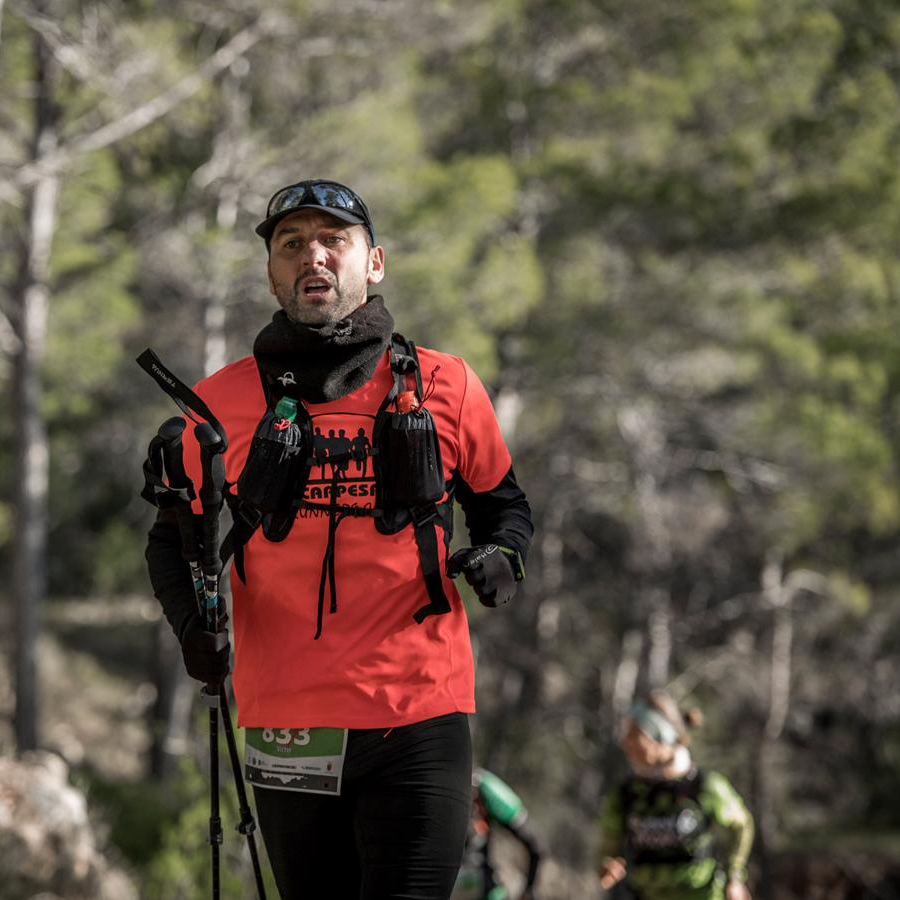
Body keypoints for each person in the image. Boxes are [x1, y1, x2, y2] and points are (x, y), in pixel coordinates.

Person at [145, 179, 533, 899]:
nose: (312, 256)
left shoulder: (448, 385)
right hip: (288, 720)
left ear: (373, 263)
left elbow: (503, 507)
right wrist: (193, 625)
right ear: (272, 272)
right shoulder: (219, 403)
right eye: (291, 245)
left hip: (419, 714)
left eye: (334, 241)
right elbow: (169, 540)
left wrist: (502, 557)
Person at [597, 691, 755, 900]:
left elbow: (741, 826)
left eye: (635, 735)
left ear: (662, 738)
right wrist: (607, 864)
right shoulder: (626, 793)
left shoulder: (704, 787)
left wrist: (734, 877)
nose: (626, 743)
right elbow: (608, 846)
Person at [453, 769, 543, 900]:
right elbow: (536, 845)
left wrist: (529, 888)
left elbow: (535, 844)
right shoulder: (479, 784)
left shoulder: (480, 786)